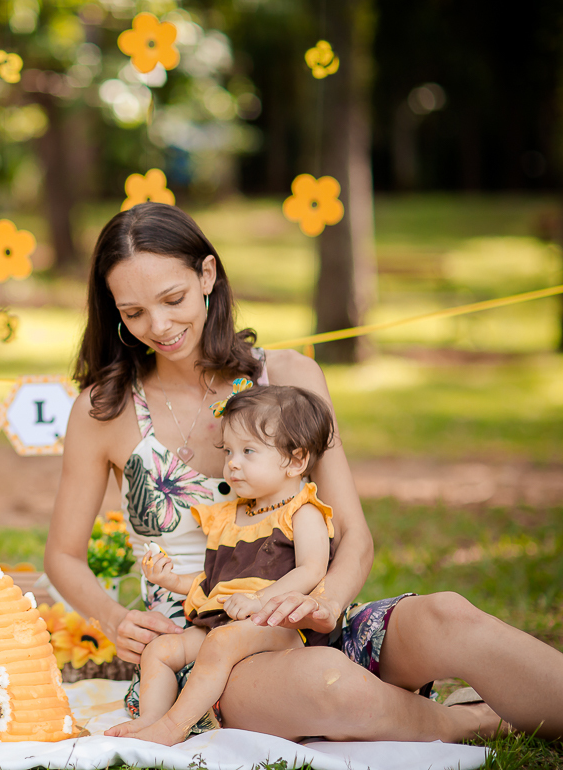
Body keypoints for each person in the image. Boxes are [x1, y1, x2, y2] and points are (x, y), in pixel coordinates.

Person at [43, 201, 563, 744]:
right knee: (329, 683)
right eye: (133, 313)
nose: (160, 326)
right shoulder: (105, 409)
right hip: (204, 654)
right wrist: (113, 618)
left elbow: (353, 534)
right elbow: (64, 554)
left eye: (173, 300)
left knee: (449, 617)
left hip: (312, 617)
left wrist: (328, 604)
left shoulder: (290, 376)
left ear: (207, 274)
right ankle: (473, 719)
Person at [105, 384, 337, 745]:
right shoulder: (232, 516)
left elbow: (311, 570)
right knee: (161, 650)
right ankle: (151, 717)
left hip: (275, 623)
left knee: (223, 641)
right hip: (220, 621)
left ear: (296, 460)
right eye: (228, 450)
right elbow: (216, 583)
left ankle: (172, 728)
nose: (232, 462)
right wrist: (171, 580)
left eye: (248, 451)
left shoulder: (302, 512)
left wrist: (260, 602)